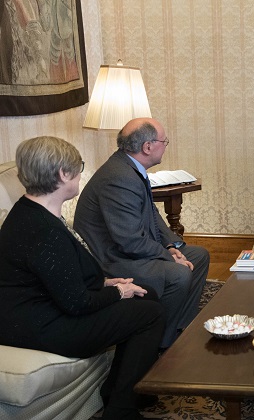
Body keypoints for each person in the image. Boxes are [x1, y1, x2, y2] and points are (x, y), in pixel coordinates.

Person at [0, 136, 165, 420]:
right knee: (151, 313)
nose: (80, 174)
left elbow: (57, 276)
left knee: (146, 292)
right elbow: (77, 303)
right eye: (78, 168)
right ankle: (120, 409)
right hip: (42, 326)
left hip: (38, 311)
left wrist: (107, 283)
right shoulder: (43, 230)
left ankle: (121, 390)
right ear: (63, 174)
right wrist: (119, 293)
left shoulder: (29, 212)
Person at [74, 118, 209, 350]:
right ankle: (159, 343)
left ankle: (179, 328)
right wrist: (169, 257)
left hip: (129, 249)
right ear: (147, 147)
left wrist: (172, 247)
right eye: (163, 141)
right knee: (178, 274)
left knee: (198, 256)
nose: (166, 145)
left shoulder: (130, 167)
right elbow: (130, 241)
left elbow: (152, 215)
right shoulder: (119, 178)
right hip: (113, 260)